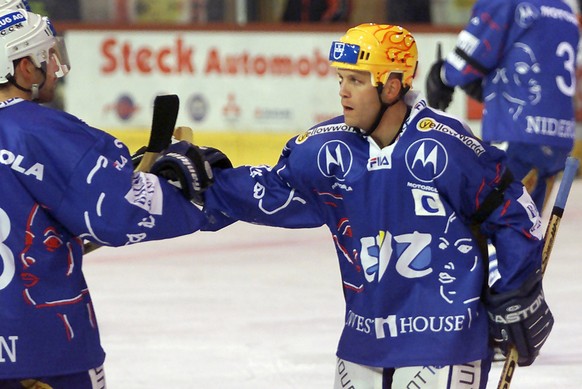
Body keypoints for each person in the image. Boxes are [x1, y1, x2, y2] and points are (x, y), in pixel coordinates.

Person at [176, 23, 554, 387]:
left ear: (391, 86)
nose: (343, 92)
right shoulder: (326, 152)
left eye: (356, 81)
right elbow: (271, 191)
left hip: (447, 340)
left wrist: (516, 288)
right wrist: (203, 179)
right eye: (341, 79)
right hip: (364, 342)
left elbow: (513, 212)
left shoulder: (447, 147)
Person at [0, 6, 211, 389]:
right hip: (45, 349)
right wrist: (183, 192)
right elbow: (116, 214)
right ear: (24, 67)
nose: (53, 63)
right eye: (45, 55)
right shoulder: (46, 131)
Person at [425, 0, 579, 214]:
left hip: (516, 137)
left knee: (484, 227)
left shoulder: (504, 2)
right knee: (524, 231)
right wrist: (489, 88)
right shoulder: (564, 10)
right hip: (558, 139)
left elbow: (466, 60)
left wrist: (442, 76)